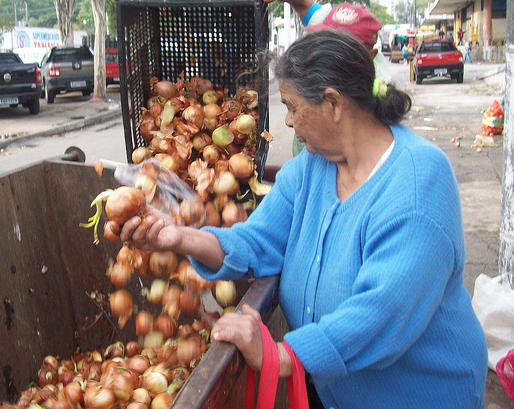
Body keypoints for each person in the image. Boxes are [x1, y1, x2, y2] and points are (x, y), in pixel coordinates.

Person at [116, 31, 488, 409]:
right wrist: (177, 237)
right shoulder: (313, 167)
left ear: (333, 103)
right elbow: (258, 241)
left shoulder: (416, 182)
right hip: (337, 393)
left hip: (422, 395)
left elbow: (382, 314)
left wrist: (279, 356)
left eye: (292, 107)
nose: (289, 122)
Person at [225, 0, 391, 163]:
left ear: (370, 54)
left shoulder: (376, 94)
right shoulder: (321, 31)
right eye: (322, 39)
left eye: (335, 47)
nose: (322, 50)